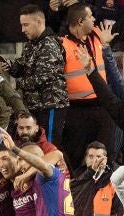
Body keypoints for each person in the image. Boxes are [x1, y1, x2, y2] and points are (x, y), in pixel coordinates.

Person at [0, 128, 88, 216]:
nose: (20, 164)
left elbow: (55, 155)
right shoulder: (37, 181)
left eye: (24, 159)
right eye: (20, 161)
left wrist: (15, 149)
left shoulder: (47, 175)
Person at [61, 2, 116, 170]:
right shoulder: (62, 45)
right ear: (79, 21)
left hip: (103, 108)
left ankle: (104, 192)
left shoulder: (98, 35)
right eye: (90, 17)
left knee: (105, 157)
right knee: (76, 157)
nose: (94, 19)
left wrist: (107, 44)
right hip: (77, 112)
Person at [5, 4, 68, 146]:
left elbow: (41, 78)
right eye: (22, 25)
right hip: (36, 106)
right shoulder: (32, 44)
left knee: (49, 147)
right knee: (37, 148)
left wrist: (17, 84)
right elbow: (20, 67)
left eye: (26, 25)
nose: (23, 29)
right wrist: (7, 65)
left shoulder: (49, 44)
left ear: (39, 22)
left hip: (50, 105)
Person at [71, 141, 123, 216]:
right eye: (91, 156)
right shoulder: (76, 180)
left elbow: (118, 215)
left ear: (105, 160)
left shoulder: (113, 183)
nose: (95, 160)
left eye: (99, 157)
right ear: (85, 159)